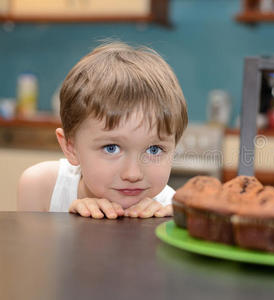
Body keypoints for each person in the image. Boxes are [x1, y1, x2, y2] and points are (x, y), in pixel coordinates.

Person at [17, 42, 188, 219]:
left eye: (154, 149)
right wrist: (76, 225)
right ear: (71, 147)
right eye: (111, 148)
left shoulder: (171, 211)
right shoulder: (42, 187)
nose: (133, 174)